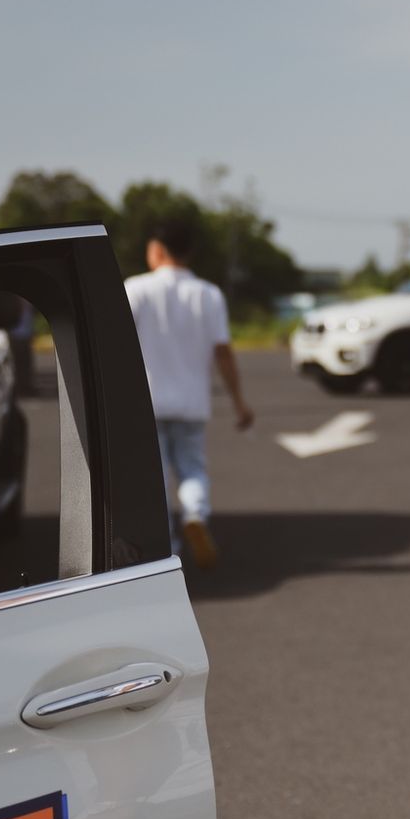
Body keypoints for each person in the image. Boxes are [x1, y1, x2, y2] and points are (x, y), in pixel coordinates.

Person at [125, 219, 254, 568]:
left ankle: (168, 547)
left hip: (146, 401)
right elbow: (223, 352)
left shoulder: (135, 289)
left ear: (156, 250)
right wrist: (239, 401)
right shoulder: (209, 294)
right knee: (192, 468)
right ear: (190, 252)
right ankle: (195, 513)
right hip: (192, 401)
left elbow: (116, 340)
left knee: (154, 477)